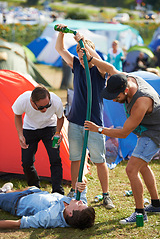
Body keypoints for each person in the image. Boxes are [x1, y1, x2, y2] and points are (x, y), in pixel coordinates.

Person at [83, 50, 160, 224]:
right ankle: (156, 204)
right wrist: (90, 58)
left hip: (155, 132)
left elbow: (124, 132)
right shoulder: (123, 77)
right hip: (147, 129)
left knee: (131, 169)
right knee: (142, 165)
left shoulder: (142, 102)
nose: (114, 100)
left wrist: (99, 130)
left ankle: (140, 213)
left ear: (126, 90)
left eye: (116, 97)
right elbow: (109, 67)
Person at [55, 24, 115, 209]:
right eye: (79, 55)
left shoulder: (99, 69)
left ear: (89, 53)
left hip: (94, 122)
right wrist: (61, 33)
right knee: (75, 158)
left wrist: (84, 45)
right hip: (75, 121)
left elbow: (103, 64)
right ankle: (74, 189)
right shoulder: (76, 65)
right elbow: (60, 49)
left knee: (99, 160)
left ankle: (106, 195)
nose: (81, 59)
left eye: (84, 55)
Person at [12, 86, 65, 195]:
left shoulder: (56, 101)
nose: (45, 109)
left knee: (55, 159)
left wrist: (58, 133)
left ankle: (57, 191)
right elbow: (17, 115)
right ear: (32, 102)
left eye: (47, 105)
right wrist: (20, 134)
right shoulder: (23, 100)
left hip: (50, 128)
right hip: (29, 129)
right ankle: (34, 188)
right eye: (41, 107)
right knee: (26, 162)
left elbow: (60, 117)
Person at [0, 181, 95, 229]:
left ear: (70, 213)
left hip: (16, 201)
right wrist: (81, 183)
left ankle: (4, 193)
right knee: (31, 187)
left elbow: (19, 224)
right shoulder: (79, 208)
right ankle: (6, 191)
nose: (80, 202)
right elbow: (82, 185)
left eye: (79, 205)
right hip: (35, 192)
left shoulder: (50, 217)